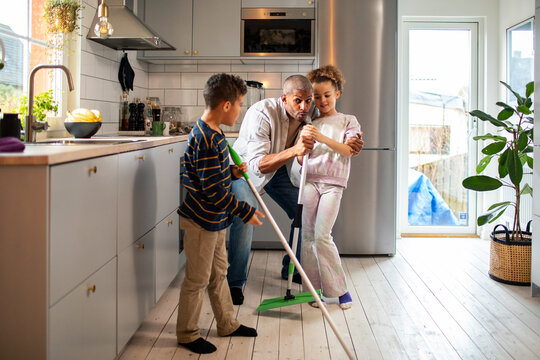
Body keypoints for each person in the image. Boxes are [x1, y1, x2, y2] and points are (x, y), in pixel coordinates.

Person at [228, 75, 363, 305]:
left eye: (309, 100)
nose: (304, 106)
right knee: (246, 214)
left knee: (300, 215)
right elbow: (255, 165)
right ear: (284, 98)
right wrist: (296, 151)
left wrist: (353, 143)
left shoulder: (309, 113)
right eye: (298, 100)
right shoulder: (262, 113)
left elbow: (330, 122)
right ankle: (235, 283)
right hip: (246, 169)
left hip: (278, 169)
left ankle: (292, 267)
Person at [176, 73, 264, 354]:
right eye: (239, 104)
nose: (240, 111)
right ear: (226, 105)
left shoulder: (214, 132)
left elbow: (210, 176)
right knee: (197, 279)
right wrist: (243, 210)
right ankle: (187, 333)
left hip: (214, 221)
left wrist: (231, 171)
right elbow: (213, 191)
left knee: (219, 274)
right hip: (201, 221)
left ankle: (226, 322)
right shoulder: (204, 138)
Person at [300, 65, 362, 310]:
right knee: (307, 237)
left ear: (337, 93)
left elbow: (348, 151)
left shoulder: (348, 121)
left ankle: (340, 291)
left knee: (322, 236)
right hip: (309, 182)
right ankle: (313, 291)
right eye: (317, 96)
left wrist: (320, 137)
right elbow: (301, 155)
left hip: (333, 185)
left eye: (326, 95)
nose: (322, 100)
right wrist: (304, 143)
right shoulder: (310, 122)